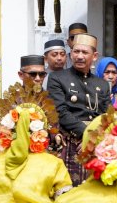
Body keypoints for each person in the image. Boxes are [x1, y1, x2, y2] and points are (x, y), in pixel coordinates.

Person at [47, 34, 111, 186]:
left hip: (97, 142)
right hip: (70, 141)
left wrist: (96, 137)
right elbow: (60, 111)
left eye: (84, 52)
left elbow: (106, 114)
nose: (80, 56)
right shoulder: (57, 78)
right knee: (69, 189)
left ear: (94, 56)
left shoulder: (102, 84)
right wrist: (87, 134)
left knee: (96, 190)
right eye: (76, 52)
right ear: (70, 54)